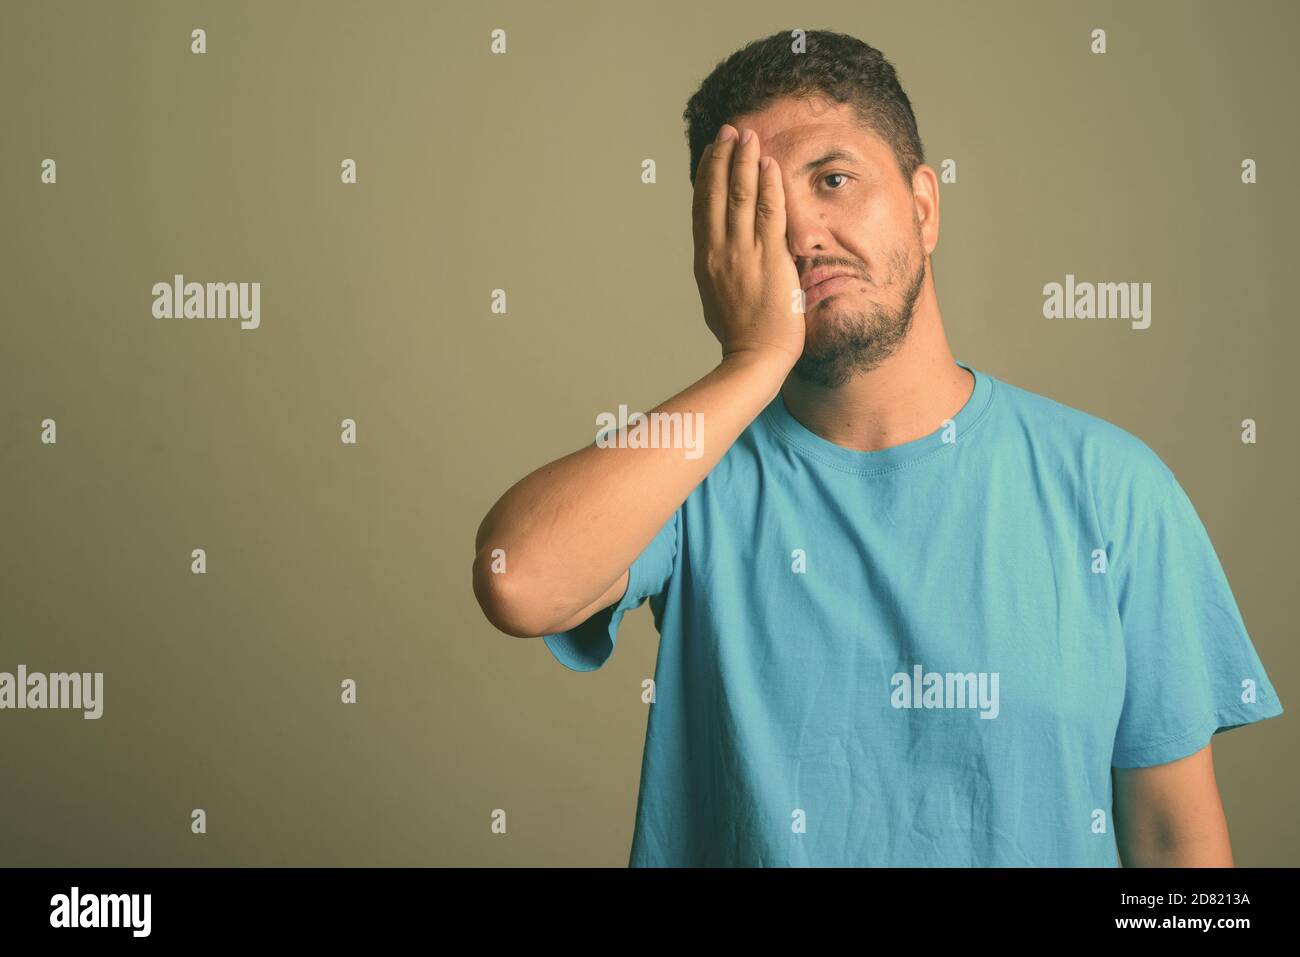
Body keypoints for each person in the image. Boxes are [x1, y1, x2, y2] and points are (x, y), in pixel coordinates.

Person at [471, 30, 1283, 866]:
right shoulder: (693, 477)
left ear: (923, 206)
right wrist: (751, 361)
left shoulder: (1115, 489)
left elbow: (1173, 839)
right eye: (763, 210)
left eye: (833, 180)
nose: (804, 234)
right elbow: (519, 580)